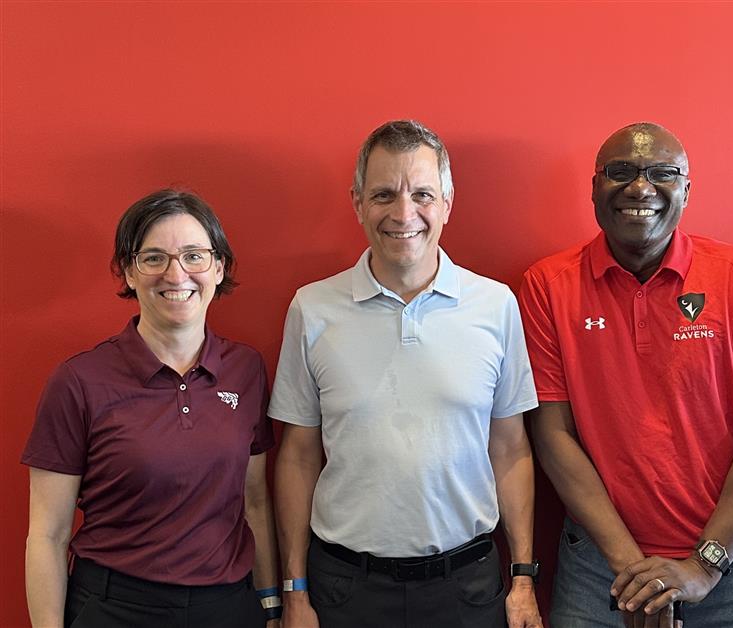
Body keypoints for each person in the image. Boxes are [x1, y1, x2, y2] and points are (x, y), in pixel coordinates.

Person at [519, 122, 733, 627]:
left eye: (662, 173)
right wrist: (634, 574)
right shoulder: (548, 286)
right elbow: (552, 435)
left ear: (687, 191)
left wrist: (701, 566)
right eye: (620, 172)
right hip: (600, 565)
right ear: (595, 188)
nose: (640, 187)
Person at [269, 120, 543, 628]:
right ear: (356, 202)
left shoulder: (495, 305)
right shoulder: (312, 308)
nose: (403, 214)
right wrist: (295, 591)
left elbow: (511, 449)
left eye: (422, 194)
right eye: (383, 194)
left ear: (447, 204)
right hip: (344, 588)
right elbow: (299, 456)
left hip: (468, 584)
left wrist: (523, 577)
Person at [23, 189, 281, 627]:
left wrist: (271, 603)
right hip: (115, 607)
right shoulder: (79, 381)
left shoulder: (246, 370)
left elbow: (254, 501)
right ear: (129, 271)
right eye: (154, 258)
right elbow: (47, 536)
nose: (176, 274)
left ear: (219, 268)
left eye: (194, 256)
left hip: (226, 608)